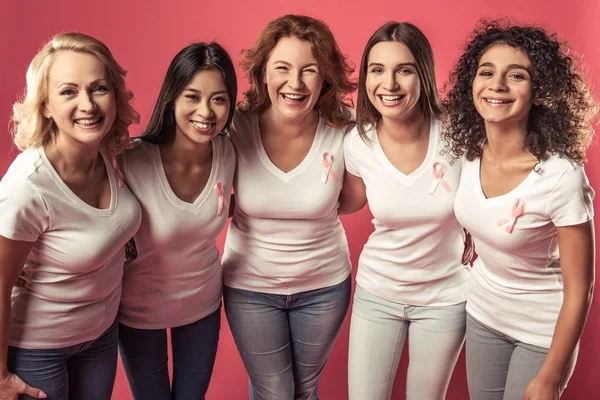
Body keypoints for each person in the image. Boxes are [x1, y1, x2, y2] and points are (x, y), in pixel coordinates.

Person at [444, 20, 596, 400]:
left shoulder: (561, 177)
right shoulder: (468, 152)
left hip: (540, 332)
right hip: (482, 314)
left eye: (516, 76)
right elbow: (478, 209)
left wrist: (549, 377)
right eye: (486, 73)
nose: (497, 85)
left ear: (539, 91)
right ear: (473, 84)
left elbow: (581, 288)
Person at [0, 32, 142, 400]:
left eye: (98, 88)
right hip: (38, 349)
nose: (88, 105)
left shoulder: (108, 153)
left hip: (100, 337)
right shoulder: (28, 186)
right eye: (68, 92)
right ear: (45, 104)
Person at [221, 14, 356, 400]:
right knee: (274, 390)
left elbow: (354, 198)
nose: (295, 84)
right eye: (282, 68)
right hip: (250, 287)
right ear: (264, 72)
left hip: (324, 287)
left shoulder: (344, 128)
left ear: (325, 78)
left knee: (303, 389)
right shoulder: (235, 127)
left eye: (309, 71)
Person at [339, 22, 470, 400]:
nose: (389, 84)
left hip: (446, 297)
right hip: (377, 291)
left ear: (423, 74)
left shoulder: (458, 135)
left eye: (404, 70)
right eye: (377, 70)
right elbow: (346, 201)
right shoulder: (357, 143)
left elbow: (488, 192)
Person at [116, 42, 237, 400]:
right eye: (192, 96)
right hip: (138, 314)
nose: (206, 111)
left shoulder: (229, 152)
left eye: (218, 99)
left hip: (202, 307)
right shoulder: (129, 159)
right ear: (171, 98)